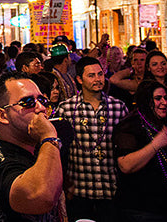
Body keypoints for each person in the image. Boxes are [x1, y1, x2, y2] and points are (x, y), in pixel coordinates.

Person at [0, 71, 64, 221]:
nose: (41, 108)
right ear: (2, 115)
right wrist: (49, 137)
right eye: (28, 102)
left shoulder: (32, 150)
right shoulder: (1, 164)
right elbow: (42, 196)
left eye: (42, 100)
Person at [53, 57, 128, 221]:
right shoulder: (66, 109)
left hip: (111, 191)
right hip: (79, 192)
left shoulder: (118, 107)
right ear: (79, 79)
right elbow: (58, 152)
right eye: (91, 75)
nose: (98, 79)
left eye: (100, 74)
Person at [113, 80, 167, 222]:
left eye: (166, 98)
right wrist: (155, 144)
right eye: (158, 98)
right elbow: (125, 165)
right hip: (143, 209)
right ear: (146, 100)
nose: (164, 102)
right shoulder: (131, 125)